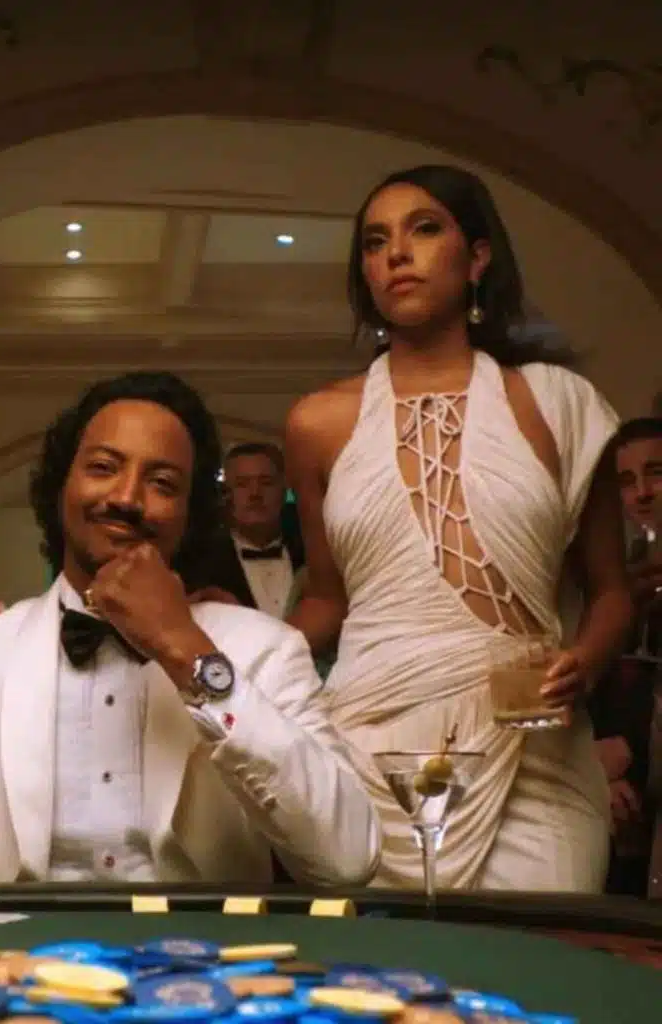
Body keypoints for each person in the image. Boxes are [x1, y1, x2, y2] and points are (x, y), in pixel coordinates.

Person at [0, 371, 379, 913]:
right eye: (102, 467)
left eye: (162, 482)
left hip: (207, 973)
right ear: (61, 485)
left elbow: (347, 859)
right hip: (11, 971)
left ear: (190, 513)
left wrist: (189, 654)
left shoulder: (265, 650)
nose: (126, 497)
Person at [285, 164, 631, 892]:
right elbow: (325, 598)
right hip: (373, 750)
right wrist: (239, 652)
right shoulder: (319, 422)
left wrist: (587, 660)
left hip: (533, 748)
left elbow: (610, 591)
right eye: (375, 242)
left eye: (424, 229)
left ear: (477, 258)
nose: (396, 254)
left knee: (538, 958)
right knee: (383, 963)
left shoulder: (558, 403)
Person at [588, 418, 662, 895]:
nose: (643, 494)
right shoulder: (602, 591)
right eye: (626, 481)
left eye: (656, 473)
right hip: (619, 805)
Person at [186, 443, 304, 617]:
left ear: (283, 490)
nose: (255, 493)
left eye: (266, 483)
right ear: (226, 493)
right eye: (242, 484)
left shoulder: (311, 554)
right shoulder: (199, 564)